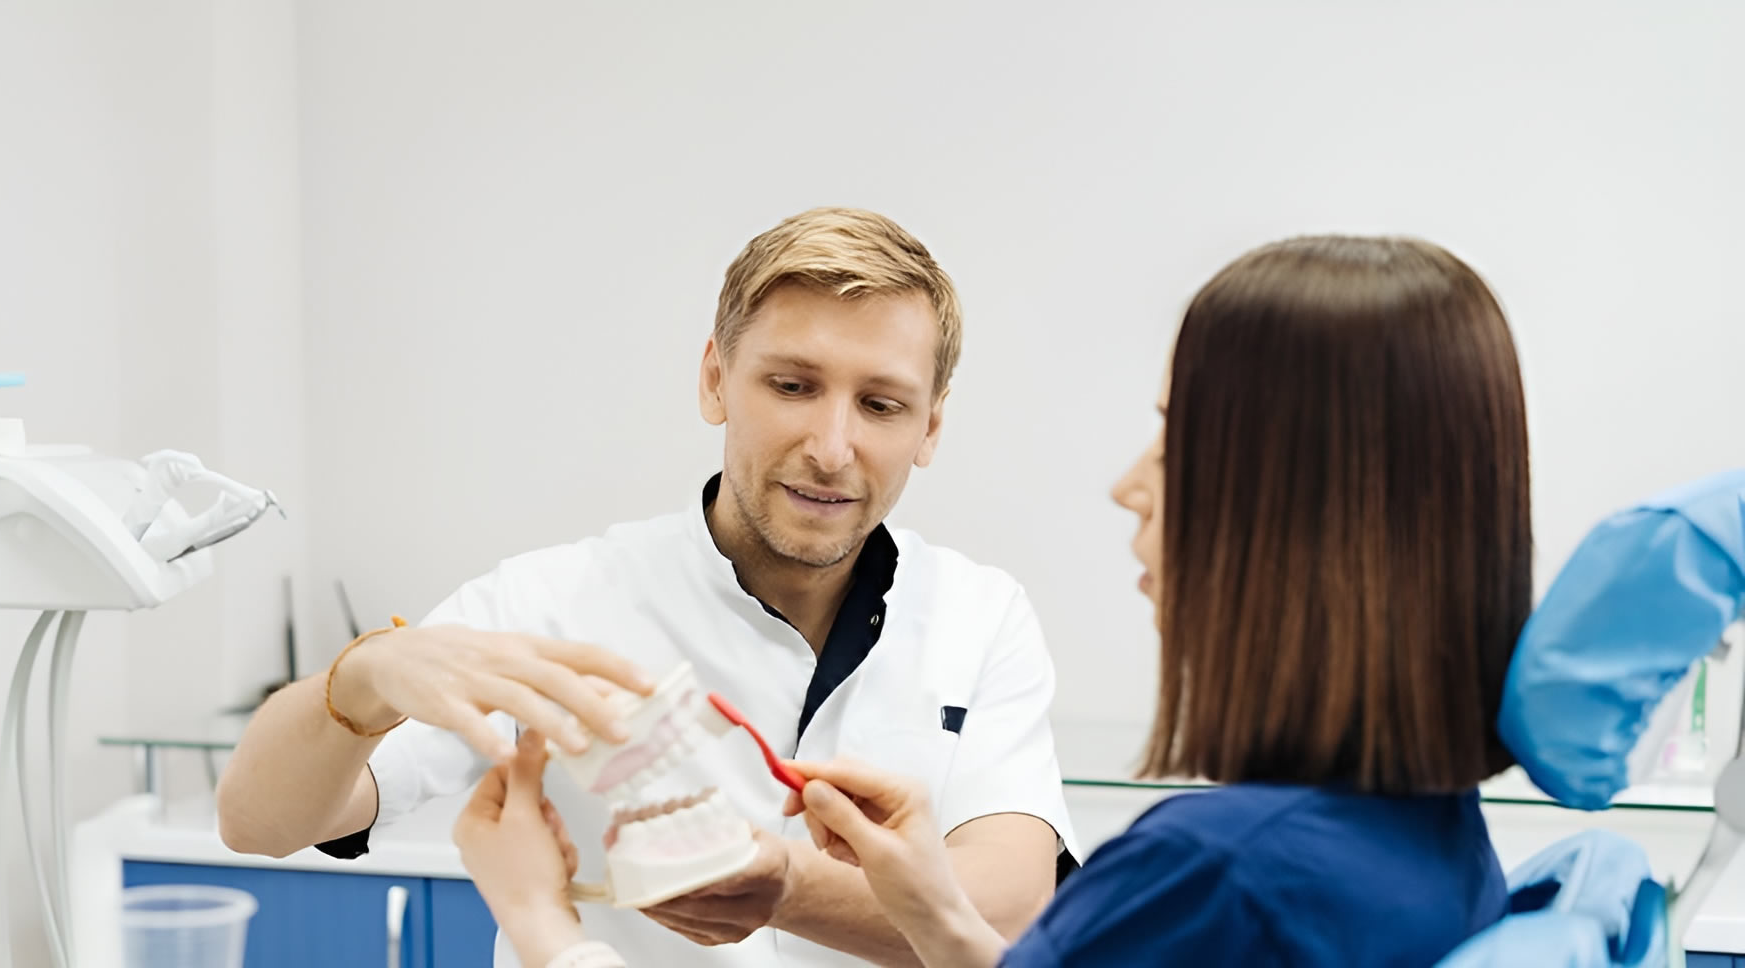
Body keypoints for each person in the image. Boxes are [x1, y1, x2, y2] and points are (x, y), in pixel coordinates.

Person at [453, 233, 1533, 967]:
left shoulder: (1212, 875)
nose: (1129, 481)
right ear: (714, 380)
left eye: (1179, 434)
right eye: (790, 383)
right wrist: (926, 903)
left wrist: (542, 921)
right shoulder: (1428, 841)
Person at [215, 206, 1076, 968]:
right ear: (714, 379)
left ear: (930, 427)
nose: (831, 445)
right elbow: (260, 823)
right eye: (792, 386)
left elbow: (1007, 918)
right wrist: (360, 679)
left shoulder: (981, 614)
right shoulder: (549, 602)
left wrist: (782, 885)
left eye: (882, 405)